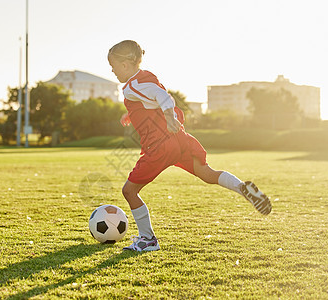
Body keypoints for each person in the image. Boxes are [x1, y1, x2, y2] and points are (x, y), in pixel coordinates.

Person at [107, 40, 271, 252]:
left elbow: (162, 97)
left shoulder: (131, 86)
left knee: (129, 191)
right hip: (180, 140)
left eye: (113, 67)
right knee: (208, 174)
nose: (112, 71)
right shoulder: (146, 77)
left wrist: (167, 116)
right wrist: (132, 114)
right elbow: (154, 99)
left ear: (125, 66)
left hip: (159, 146)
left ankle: (148, 239)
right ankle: (243, 188)